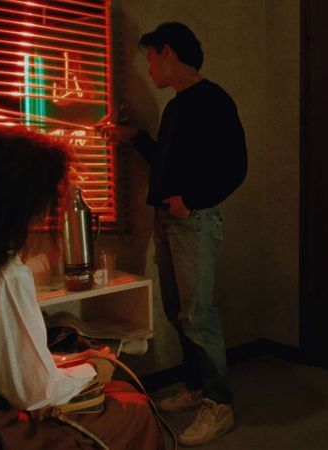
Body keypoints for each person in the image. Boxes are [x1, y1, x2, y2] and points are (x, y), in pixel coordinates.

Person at [0, 126, 164, 450]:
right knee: (133, 408)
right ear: (28, 202)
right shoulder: (3, 275)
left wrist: (64, 363)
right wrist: (94, 369)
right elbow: (34, 391)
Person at [97, 22, 247, 447]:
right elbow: (167, 160)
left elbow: (236, 165)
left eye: (149, 58)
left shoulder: (212, 100)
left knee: (198, 315)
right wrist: (134, 138)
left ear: (168, 51)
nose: (148, 69)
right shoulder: (177, 106)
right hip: (166, 221)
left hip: (192, 220)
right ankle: (197, 386)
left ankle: (219, 404)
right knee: (177, 310)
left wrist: (192, 200)